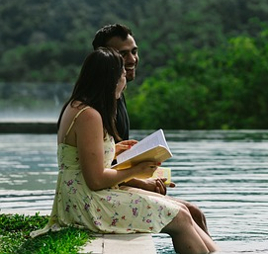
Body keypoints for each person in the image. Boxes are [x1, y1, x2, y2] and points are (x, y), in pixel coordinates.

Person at [31, 47, 218, 253]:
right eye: (122, 75)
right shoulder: (89, 115)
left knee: (183, 210)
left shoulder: (78, 106)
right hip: (87, 204)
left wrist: (114, 150)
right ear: (111, 80)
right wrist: (137, 170)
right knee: (180, 217)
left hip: (82, 196)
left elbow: (80, 156)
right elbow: (95, 180)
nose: (125, 82)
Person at [91, 23, 209, 233]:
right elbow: (96, 171)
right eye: (123, 54)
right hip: (106, 191)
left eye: (134, 52)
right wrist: (142, 182)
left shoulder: (117, 96)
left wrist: (149, 174)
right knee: (189, 212)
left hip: (118, 182)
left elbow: (111, 158)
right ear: (105, 58)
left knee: (196, 213)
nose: (132, 59)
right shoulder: (96, 107)